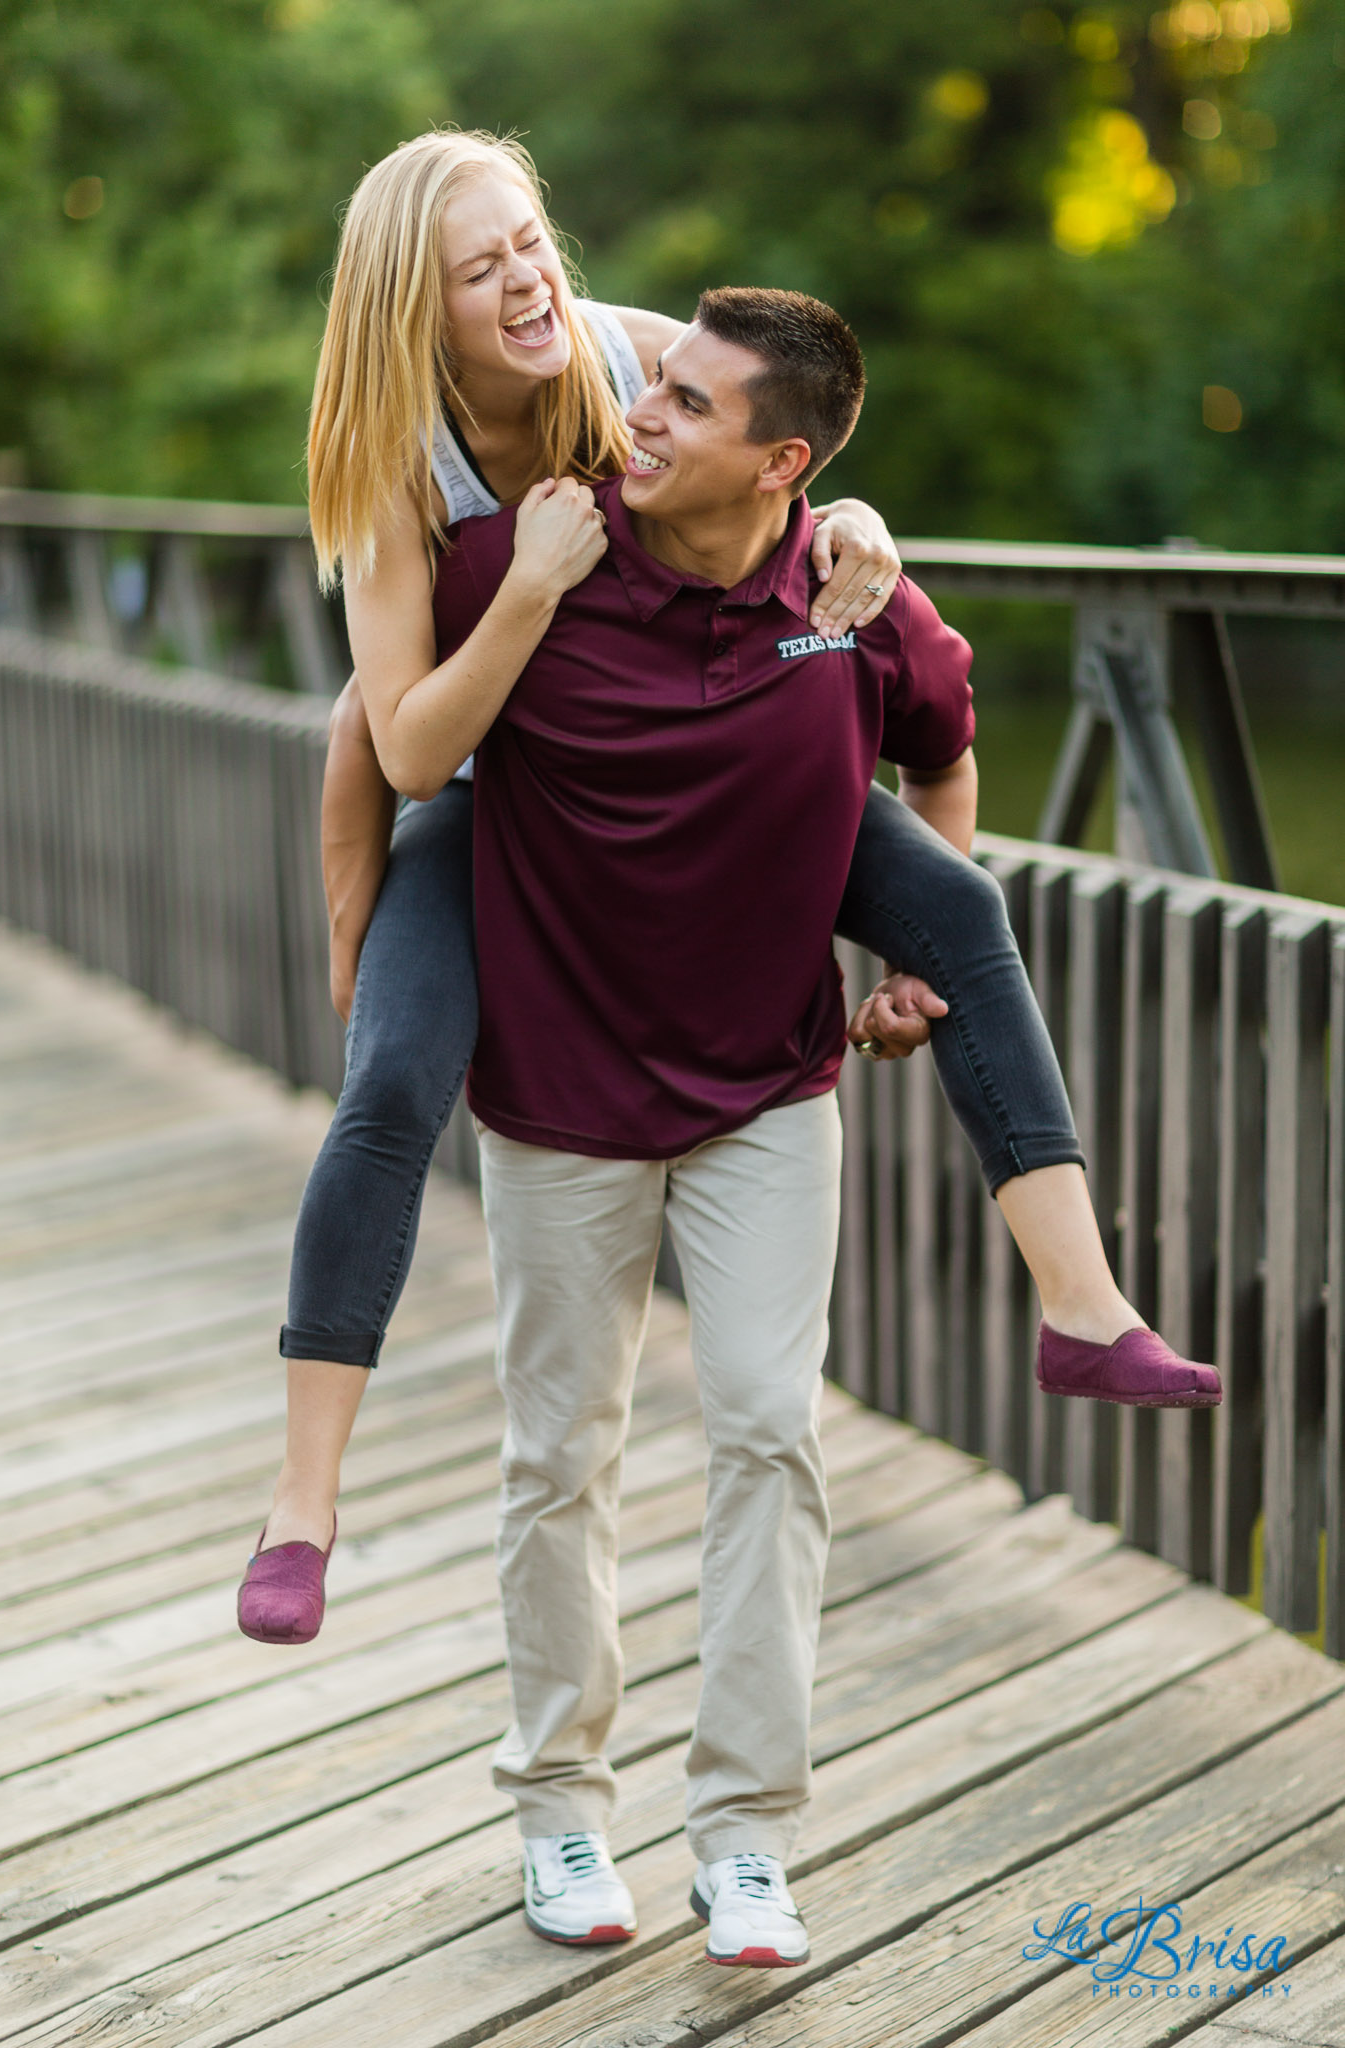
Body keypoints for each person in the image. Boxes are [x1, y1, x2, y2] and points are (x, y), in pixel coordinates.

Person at [237, 131, 1218, 1662]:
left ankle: (1083, 1311)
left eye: (529, 242)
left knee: (959, 909)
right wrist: (534, 588)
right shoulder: (388, 460)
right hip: (494, 784)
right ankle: (302, 1505)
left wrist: (865, 526)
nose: (527, 283)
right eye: (478, 267)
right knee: (390, 1085)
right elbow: (406, 746)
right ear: (406, 309)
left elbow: (781, 471)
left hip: (686, 756)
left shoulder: (625, 356)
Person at [350, 287, 1218, 1965]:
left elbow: (941, 754)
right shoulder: (524, 561)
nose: (639, 414)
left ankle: (744, 1837)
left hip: (766, 1093)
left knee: (768, 1435)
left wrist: (914, 972)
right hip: (560, 1093)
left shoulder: (852, 591)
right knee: (562, 1457)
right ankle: (558, 1812)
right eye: (650, 382)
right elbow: (402, 750)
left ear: (784, 463)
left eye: (685, 402)